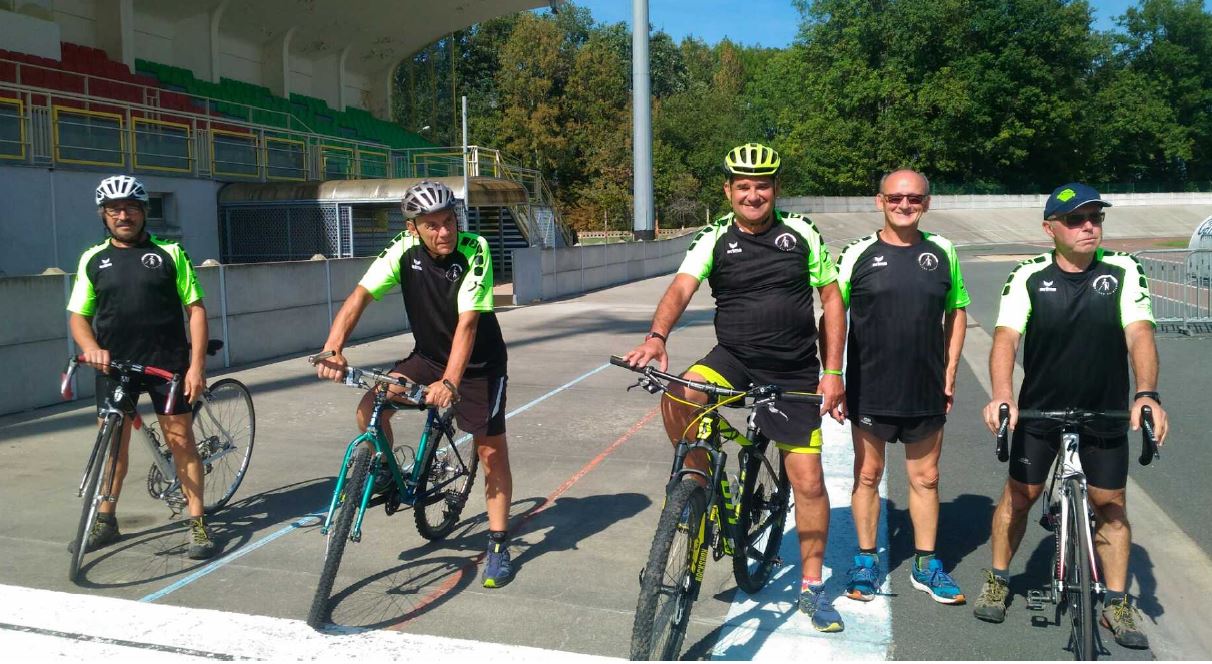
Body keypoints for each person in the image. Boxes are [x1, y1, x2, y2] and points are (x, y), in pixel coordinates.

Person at [624, 143, 848, 632]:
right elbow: (682, 286)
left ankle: (813, 587)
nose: (753, 194)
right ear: (727, 190)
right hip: (734, 359)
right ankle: (696, 484)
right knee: (680, 390)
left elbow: (832, 300)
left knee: (807, 481)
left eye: (762, 185)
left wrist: (833, 372)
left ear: (775, 189)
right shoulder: (714, 237)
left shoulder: (801, 233)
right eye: (742, 186)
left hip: (791, 369)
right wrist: (657, 336)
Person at [974, 182, 1170, 648]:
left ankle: (1117, 602)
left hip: (1103, 410)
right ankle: (999, 578)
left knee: (1111, 505)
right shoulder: (1027, 275)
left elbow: (1139, 334)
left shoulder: (1123, 270)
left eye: (1096, 218)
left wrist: (1147, 393)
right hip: (1040, 408)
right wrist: (1003, 395)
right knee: (1019, 497)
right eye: (1076, 220)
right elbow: (1005, 338)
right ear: (1050, 228)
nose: (1088, 227)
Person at [315, 180, 515, 588]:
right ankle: (389, 469)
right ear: (413, 229)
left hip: (478, 365)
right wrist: (333, 348)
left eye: (448, 222)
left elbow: (468, 324)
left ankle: (497, 543)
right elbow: (360, 296)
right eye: (431, 226)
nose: (444, 232)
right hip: (427, 357)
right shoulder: (401, 250)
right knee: (370, 406)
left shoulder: (474, 248)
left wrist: (451, 382)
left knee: (491, 450)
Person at [835, 169, 969, 605]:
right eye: (896, 198)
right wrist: (832, 374)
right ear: (880, 201)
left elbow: (957, 311)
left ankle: (927, 564)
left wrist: (950, 370)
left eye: (914, 198)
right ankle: (866, 560)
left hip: (925, 386)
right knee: (868, 474)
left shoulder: (943, 251)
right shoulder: (857, 253)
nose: (904, 205)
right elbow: (832, 314)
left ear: (926, 203)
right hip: (869, 386)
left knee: (926, 478)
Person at [67, 174, 215, 560]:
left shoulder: (170, 253)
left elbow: (195, 310)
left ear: (144, 212)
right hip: (114, 367)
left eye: (131, 207)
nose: (123, 215)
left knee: (180, 441)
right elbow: (79, 316)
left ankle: (197, 523)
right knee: (113, 446)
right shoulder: (92, 259)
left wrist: (196, 366)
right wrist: (90, 347)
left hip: (167, 365)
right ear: (104, 216)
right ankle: (106, 519)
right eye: (114, 209)